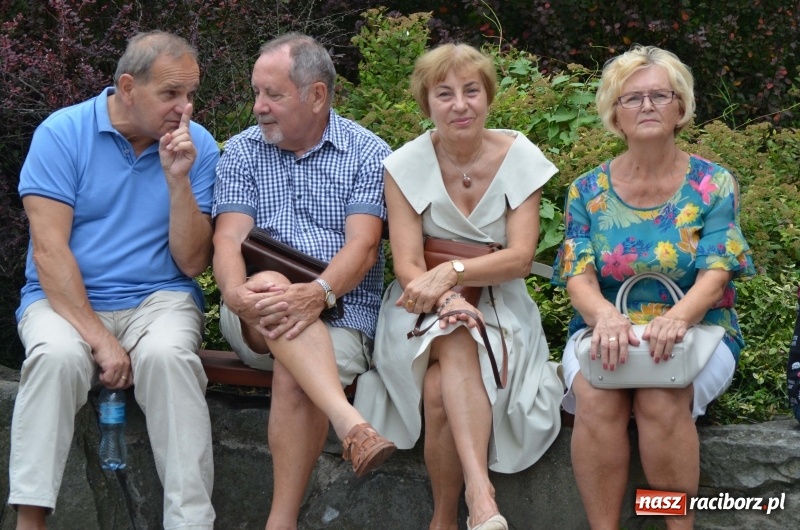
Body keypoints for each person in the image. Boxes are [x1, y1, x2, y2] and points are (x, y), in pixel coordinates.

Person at [8, 31, 218, 529]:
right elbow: (49, 252)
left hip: (159, 299)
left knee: (170, 360)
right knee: (55, 357)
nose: (184, 108)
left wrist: (178, 180)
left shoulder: (199, 145)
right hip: (63, 299)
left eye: (190, 95)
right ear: (128, 86)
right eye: (170, 94)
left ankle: (190, 524)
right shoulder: (62, 134)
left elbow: (192, 264)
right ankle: (29, 521)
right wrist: (101, 341)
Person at [353, 43, 564, 530]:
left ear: (488, 97)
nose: (460, 104)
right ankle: (481, 498)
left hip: (500, 303)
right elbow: (406, 262)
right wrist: (446, 297)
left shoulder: (521, 157)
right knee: (451, 327)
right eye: (444, 94)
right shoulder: (404, 165)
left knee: (437, 387)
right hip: (417, 304)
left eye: (471, 91)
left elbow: (520, 258)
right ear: (427, 104)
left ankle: (445, 519)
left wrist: (457, 274)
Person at [552, 45, 755, 529]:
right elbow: (577, 275)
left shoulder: (713, 183)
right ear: (614, 115)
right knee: (597, 398)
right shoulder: (586, 191)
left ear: (680, 107)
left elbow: (718, 271)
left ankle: (675, 526)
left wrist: (677, 318)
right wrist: (604, 316)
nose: (647, 107)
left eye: (659, 96)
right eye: (632, 98)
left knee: (659, 397)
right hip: (606, 326)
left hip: (700, 328)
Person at [211, 32, 396, 529]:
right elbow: (228, 241)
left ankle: (281, 522)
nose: (258, 107)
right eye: (256, 93)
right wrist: (235, 294)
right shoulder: (244, 153)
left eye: (273, 94)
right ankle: (350, 424)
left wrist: (318, 294)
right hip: (253, 313)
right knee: (269, 281)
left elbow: (363, 246)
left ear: (316, 95)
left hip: (342, 315)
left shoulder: (366, 152)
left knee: (295, 372)